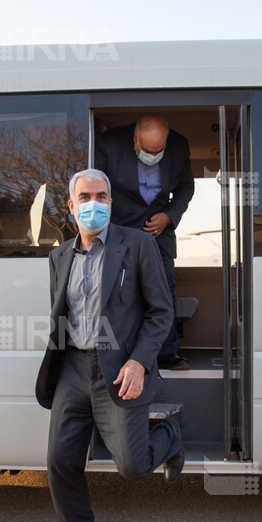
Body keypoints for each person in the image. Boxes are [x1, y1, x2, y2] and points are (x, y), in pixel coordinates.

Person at [35, 168, 185, 522]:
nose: (93, 204)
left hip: (119, 370)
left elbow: (161, 311)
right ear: (71, 206)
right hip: (72, 370)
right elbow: (62, 315)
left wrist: (138, 362)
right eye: (85, 197)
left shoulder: (136, 244)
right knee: (60, 464)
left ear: (111, 203)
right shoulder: (59, 256)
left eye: (101, 196)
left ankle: (170, 438)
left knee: (134, 467)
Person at [95, 116, 195, 370]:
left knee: (163, 293)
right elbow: (97, 189)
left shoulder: (179, 146)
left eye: (159, 151)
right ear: (134, 138)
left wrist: (169, 217)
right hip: (120, 231)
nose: (154, 155)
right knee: (120, 295)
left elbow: (186, 188)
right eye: (148, 150)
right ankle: (121, 354)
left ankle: (167, 353)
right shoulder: (108, 144)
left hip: (159, 235)